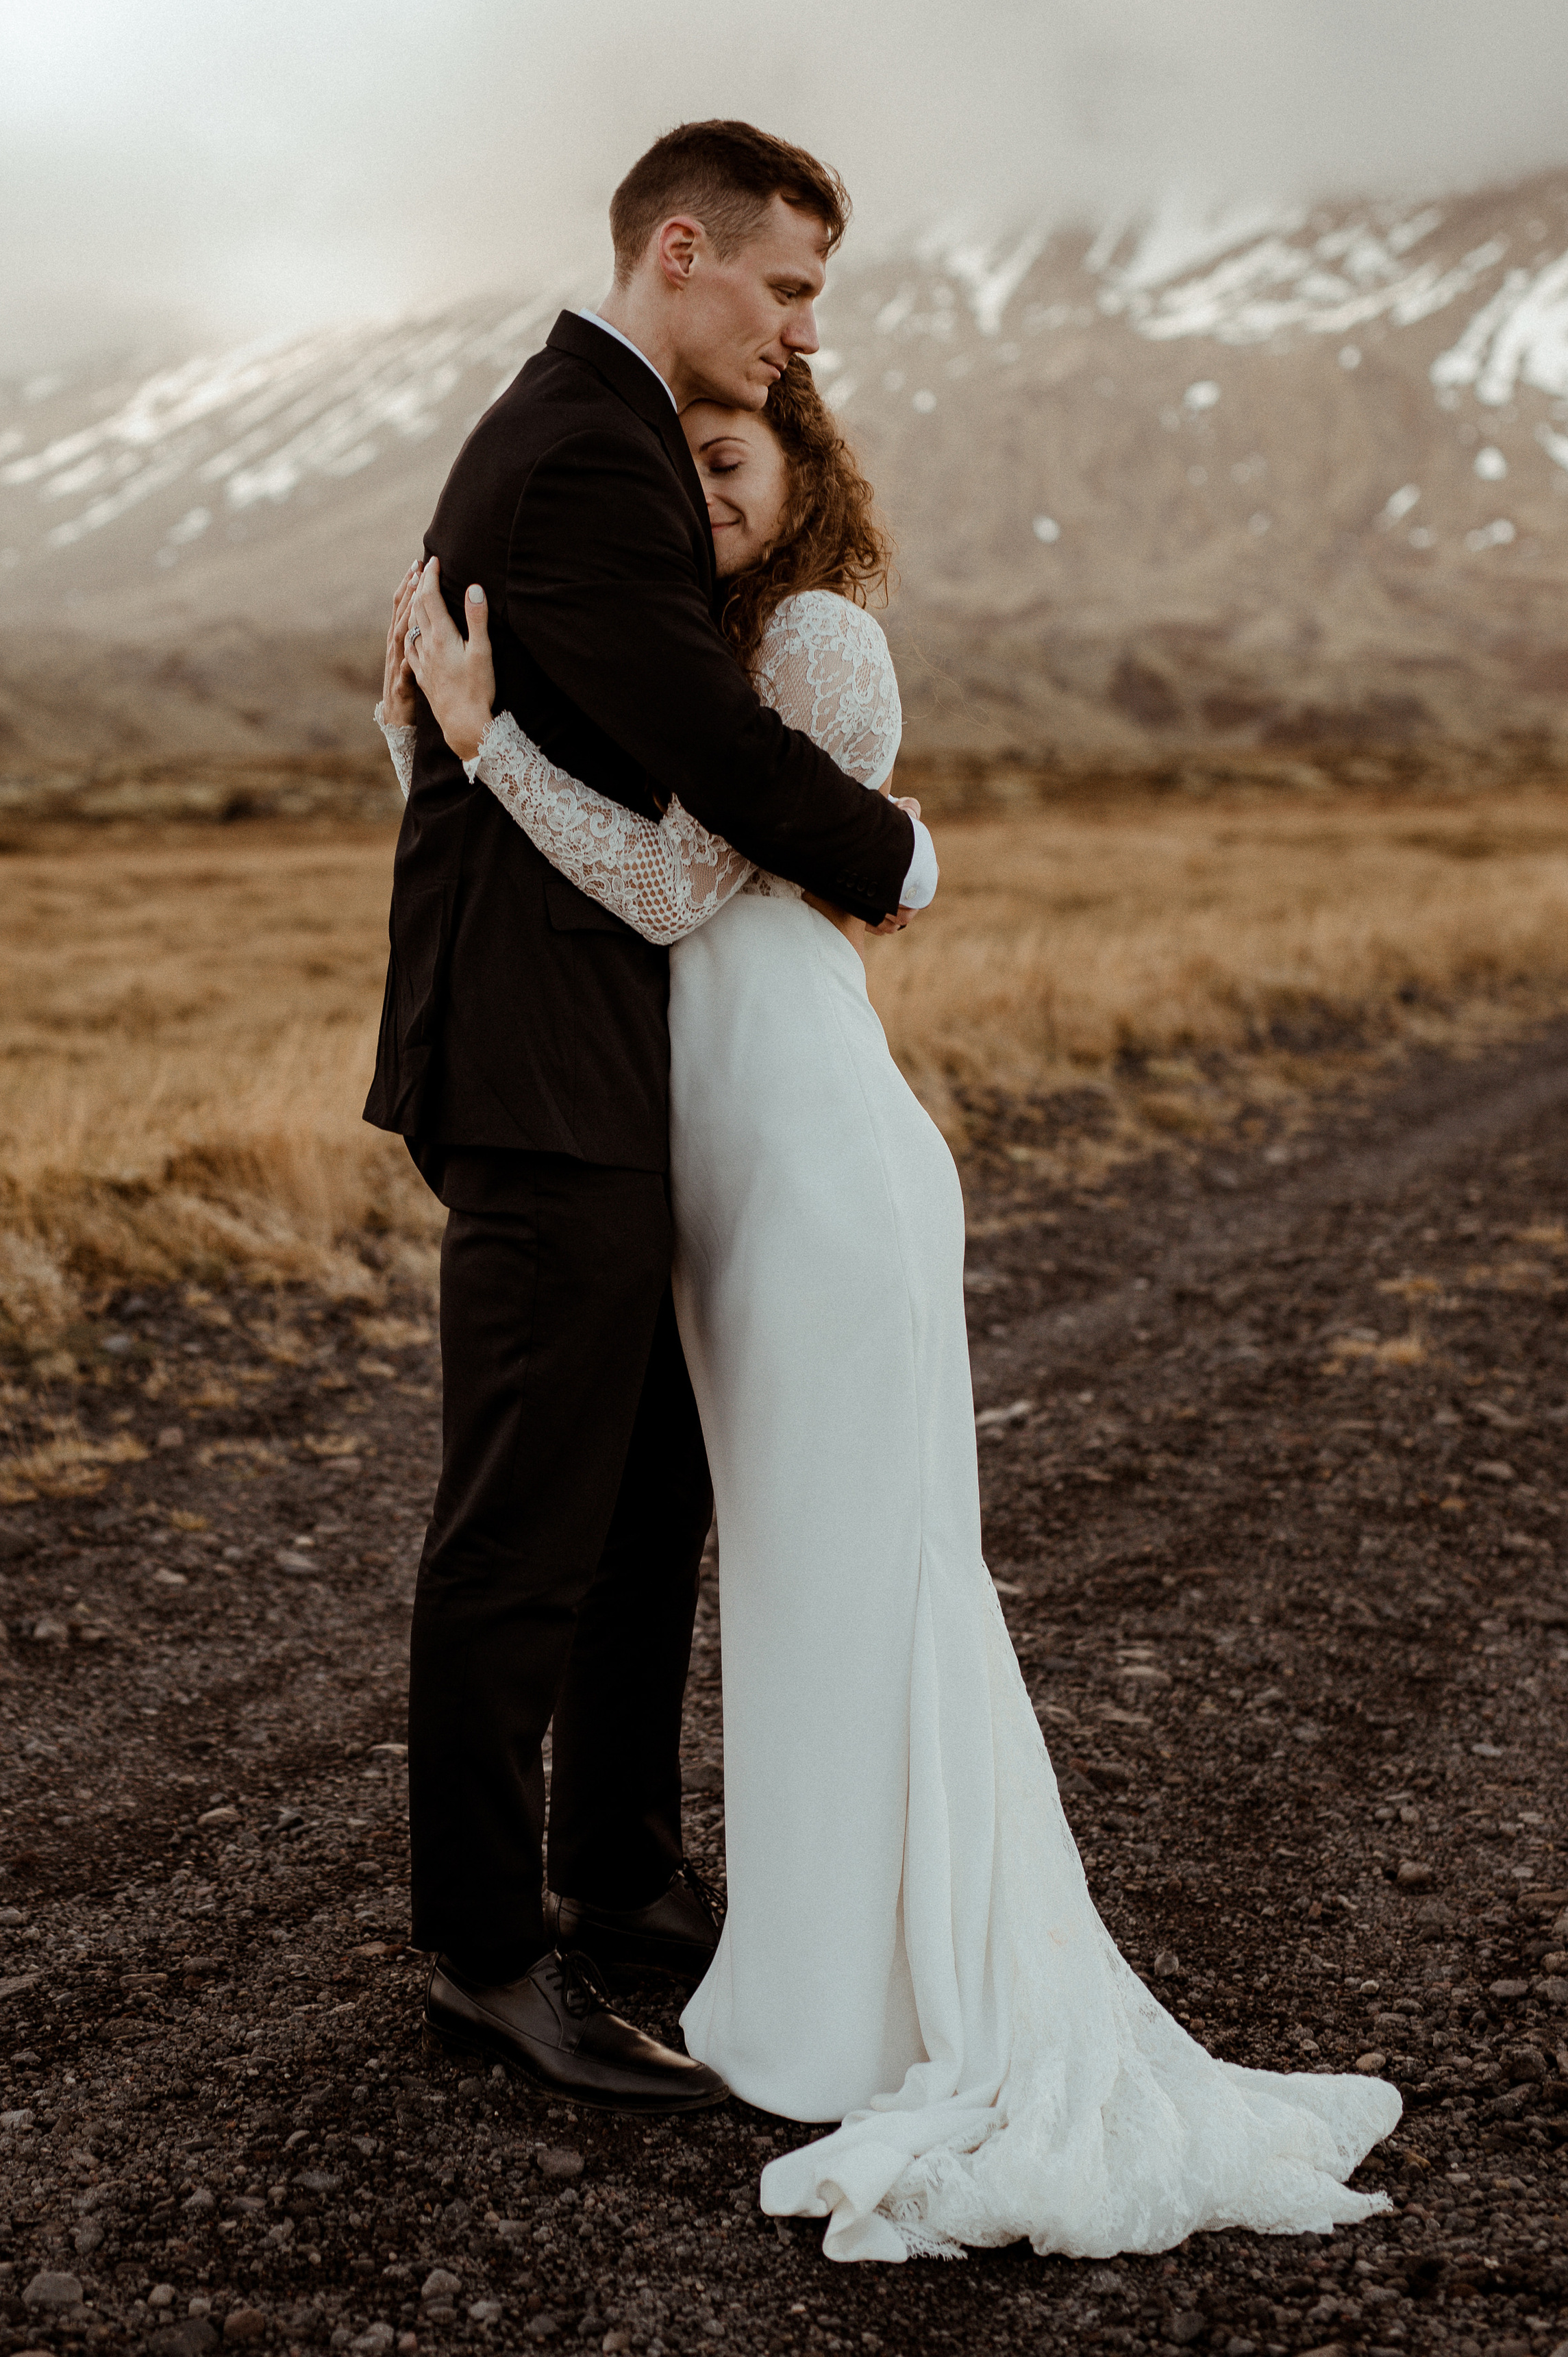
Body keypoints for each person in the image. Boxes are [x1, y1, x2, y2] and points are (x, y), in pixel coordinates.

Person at [389, 359, 1406, 2261]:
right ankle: (777, 1929)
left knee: (855, 1565)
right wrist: (433, 737)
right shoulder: (658, 662)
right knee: (737, 1558)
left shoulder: (819, 643)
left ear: (804, 477)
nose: (695, 498)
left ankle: (885, 1980)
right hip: (710, 1176)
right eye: (673, 469)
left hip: (821, 1182)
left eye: (727, 463)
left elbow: (679, 891)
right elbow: (545, 872)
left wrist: (481, 741)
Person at [362, 121, 940, 2116]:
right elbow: (708, 757)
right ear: (680, 251)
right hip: (541, 1075)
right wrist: (894, 854)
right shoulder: (590, 445)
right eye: (785, 288)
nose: (799, 334)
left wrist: (450, 736)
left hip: (616, 1069)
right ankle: (484, 1950)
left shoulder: (584, 437)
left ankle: (618, 1886)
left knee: (633, 1513)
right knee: (526, 1526)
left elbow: (598, 731)